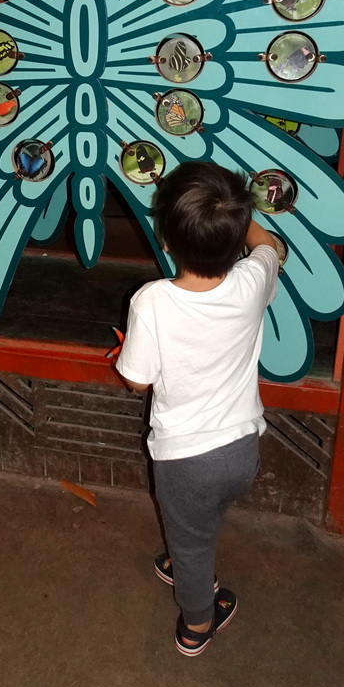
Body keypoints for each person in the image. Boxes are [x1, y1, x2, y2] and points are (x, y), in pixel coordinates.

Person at [115, 161, 279, 657]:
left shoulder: (152, 302)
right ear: (236, 242)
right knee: (199, 525)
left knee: (191, 544)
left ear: (165, 241)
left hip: (187, 460)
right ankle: (191, 557)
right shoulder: (253, 282)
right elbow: (271, 246)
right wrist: (236, 213)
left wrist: (124, 354)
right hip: (243, 452)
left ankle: (196, 625)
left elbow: (135, 381)